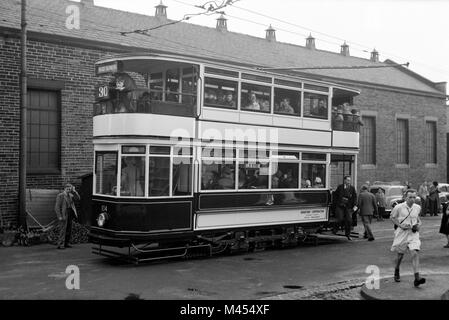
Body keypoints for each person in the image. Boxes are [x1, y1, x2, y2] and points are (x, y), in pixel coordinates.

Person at [390, 189, 426, 287]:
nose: (412, 199)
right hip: (402, 234)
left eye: (414, 197)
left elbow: (417, 218)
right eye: (410, 197)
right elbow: (392, 217)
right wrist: (400, 226)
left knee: (414, 253)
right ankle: (397, 269)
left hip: (413, 233)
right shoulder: (398, 207)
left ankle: (417, 278)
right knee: (400, 256)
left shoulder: (417, 207)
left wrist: (419, 225)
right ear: (405, 197)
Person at [54, 183, 80, 250]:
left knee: (69, 229)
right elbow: (57, 207)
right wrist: (59, 216)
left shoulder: (71, 195)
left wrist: (74, 191)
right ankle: (60, 244)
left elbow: (78, 199)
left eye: (70, 189)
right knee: (63, 230)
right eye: (67, 188)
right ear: (64, 189)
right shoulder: (60, 196)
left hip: (70, 213)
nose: (68, 190)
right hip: (64, 214)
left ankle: (67, 243)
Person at [332, 175, 358, 240]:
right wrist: (336, 204)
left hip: (348, 207)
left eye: (350, 180)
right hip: (340, 206)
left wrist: (355, 205)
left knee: (349, 220)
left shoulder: (352, 188)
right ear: (345, 180)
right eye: (348, 180)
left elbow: (355, 197)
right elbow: (335, 195)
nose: (349, 181)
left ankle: (348, 234)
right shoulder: (340, 187)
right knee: (339, 218)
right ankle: (335, 230)